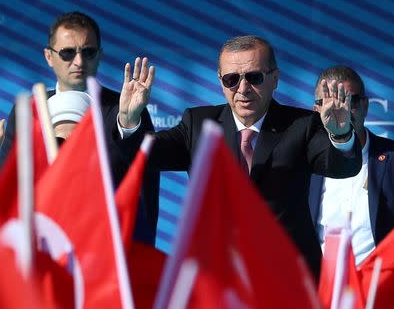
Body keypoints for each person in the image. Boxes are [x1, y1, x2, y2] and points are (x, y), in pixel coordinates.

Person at [116, 35, 362, 279]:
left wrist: (341, 135)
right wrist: (128, 121)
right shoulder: (198, 123)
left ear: (274, 79)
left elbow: (342, 166)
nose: (243, 89)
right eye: (231, 79)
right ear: (221, 82)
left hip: (288, 280)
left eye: (254, 78)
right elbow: (145, 156)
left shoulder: (302, 125)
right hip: (219, 278)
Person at [0, 11, 159, 245]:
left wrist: (127, 124)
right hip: (42, 250)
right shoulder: (27, 111)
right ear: (49, 56)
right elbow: (5, 198)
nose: (78, 62)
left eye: (87, 52)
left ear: (99, 55)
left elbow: (142, 195)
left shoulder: (130, 108)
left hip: (103, 256)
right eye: (68, 52)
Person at [309, 65, 394, 265]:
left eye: (350, 101)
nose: (343, 111)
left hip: (378, 288)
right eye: (332, 101)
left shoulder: (391, 157)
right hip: (322, 288)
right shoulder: (304, 164)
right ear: (317, 110)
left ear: (365, 105)